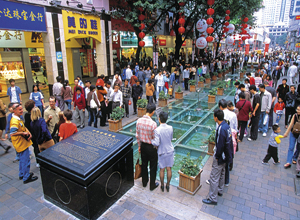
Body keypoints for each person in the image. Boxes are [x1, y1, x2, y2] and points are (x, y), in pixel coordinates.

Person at [202, 109, 233, 205]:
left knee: (214, 176)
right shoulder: (226, 125)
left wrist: (217, 156)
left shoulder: (220, 129)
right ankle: (220, 190)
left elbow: (220, 145)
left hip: (221, 156)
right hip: (227, 155)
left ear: (216, 117)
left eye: (213, 116)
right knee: (222, 172)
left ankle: (212, 198)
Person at [10, 103, 38, 183]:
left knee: (22, 159)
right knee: (25, 160)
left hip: (21, 143)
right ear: (14, 111)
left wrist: (28, 132)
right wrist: (23, 133)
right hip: (21, 144)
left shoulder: (17, 118)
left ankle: (22, 174)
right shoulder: (15, 121)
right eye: (19, 110)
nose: (22, 111)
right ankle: (26, 177)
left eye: (21, 109)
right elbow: (12, 133)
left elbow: (23, 127)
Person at [136, 103, 159, 191]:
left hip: (143, 146)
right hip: (151, 147)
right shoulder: (153, 124)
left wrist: (139, 146)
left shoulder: (139, 121)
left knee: (144, 164)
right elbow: (155, 138)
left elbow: (137, 136)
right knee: (153, 166)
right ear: (152, 112)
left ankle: (144, 182)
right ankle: (152, 185)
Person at [151, 111, 174, 192]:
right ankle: (168, 185)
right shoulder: (170, 128)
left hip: (161, 151)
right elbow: (171, 139)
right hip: (170, 150)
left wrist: (151, 141)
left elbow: (156, 143)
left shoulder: (157, 130)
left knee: (162, 169)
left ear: (159, 119)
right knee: (169, 169)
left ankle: (162, 185)